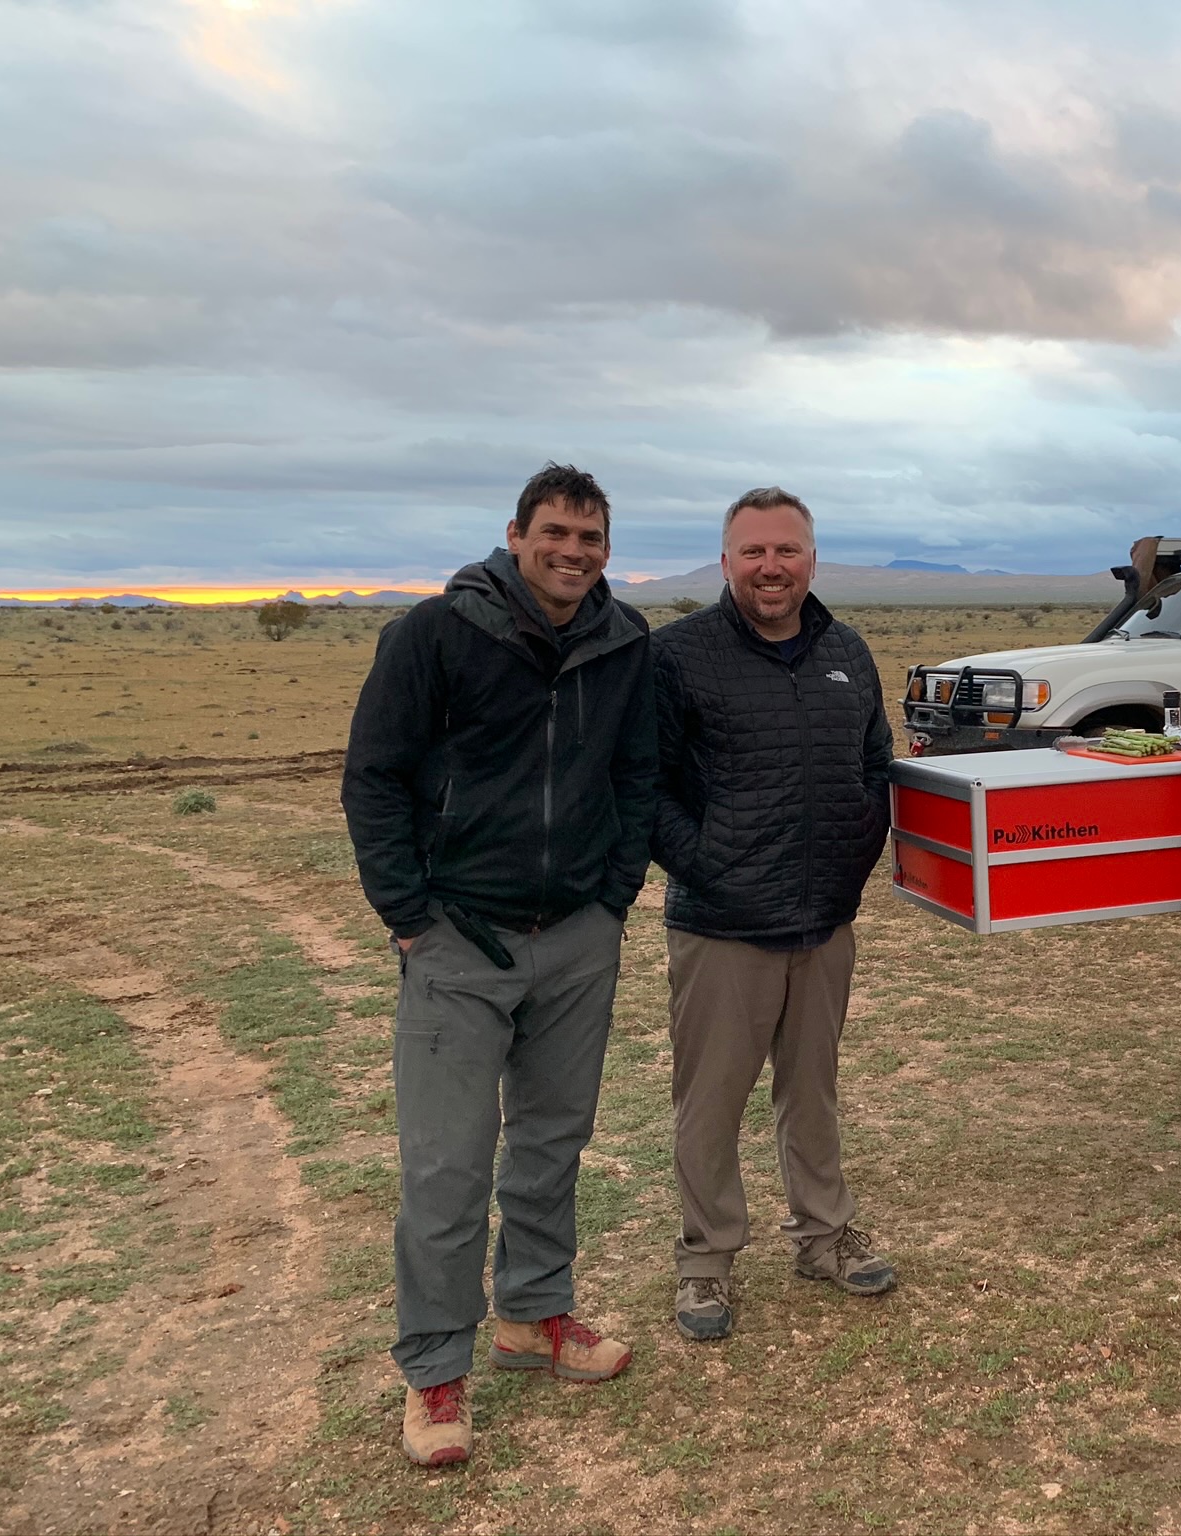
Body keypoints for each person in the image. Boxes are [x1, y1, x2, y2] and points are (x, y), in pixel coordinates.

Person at [342, 462, 656, 1467]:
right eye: (555, 534)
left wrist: (611, 898)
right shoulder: (433, 636)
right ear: (515, 536)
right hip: (458, 942)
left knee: (553, 1141)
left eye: (590, 538)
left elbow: (636, 774)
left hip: (574, 936)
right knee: (445, 1166)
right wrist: (407, 917)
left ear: (607, 550)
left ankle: (535, 1315)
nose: (572, 553)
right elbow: (375, 776)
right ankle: (436, 1374)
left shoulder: (622, 643)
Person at [651, 486, 896, 1343]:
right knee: (710, 1102)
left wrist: (854, 852)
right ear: (725, 562)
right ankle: (705, 1264)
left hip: (824, 921)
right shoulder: (678, 655)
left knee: (813, 1091)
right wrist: (708, 864)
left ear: (812, 560)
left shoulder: (847, 653)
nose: (770, 567)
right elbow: (648, 787)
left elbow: (875, 766)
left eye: (786, 550)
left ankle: (823, 1237)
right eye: (752, 551)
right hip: (722, 927)